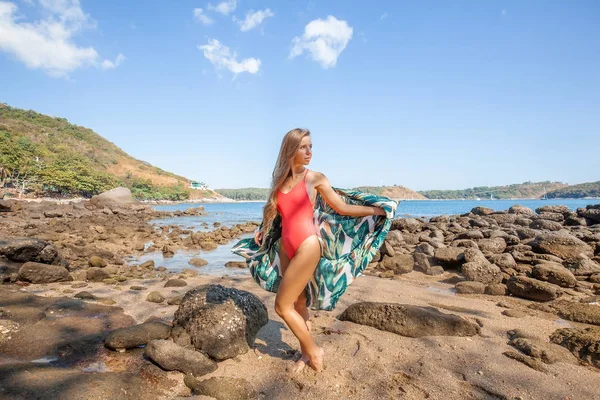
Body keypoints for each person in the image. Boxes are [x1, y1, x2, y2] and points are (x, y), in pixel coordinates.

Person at [252, 128, 388, 373]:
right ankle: (305, 354)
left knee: (282, 307)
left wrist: (376, 211)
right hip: (286, 246)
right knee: (298, 302)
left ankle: (314, 349)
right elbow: (272, 209)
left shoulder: (315, 178)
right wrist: (262, 229)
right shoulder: (280, 180)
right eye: (303, 147)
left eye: (311, 147)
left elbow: (342, 207)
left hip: (307, 245)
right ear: (290, 149)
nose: (309, 152)